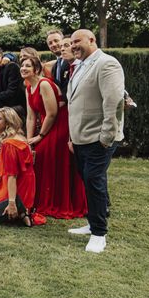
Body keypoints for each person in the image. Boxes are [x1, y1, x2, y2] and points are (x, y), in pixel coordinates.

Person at [67, 29, 124, 253]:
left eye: (77, 41)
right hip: (80, 138)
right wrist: (73, 137)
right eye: (71, 43)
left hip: (98, 139)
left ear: (92, 40)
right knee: (88, 181)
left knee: (94, 181)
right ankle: (92, 223)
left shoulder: (107, 63)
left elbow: (114, 103)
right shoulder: (80, 65)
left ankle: (99, 233)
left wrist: (106, 138)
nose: (73, 46)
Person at [21, 56, 87, 219]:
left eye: (28, 66)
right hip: (46, 123)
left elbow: (52, 113)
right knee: (35, 152)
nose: (23, 68)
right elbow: (30, 117)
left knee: (45, 154)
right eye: (22, 65)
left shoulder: (44, 84)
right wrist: (29, 140)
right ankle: (39, 198)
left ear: (36, 69)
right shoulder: (28, 87)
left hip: (60, 123)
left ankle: (56, 200)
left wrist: (40, 136)